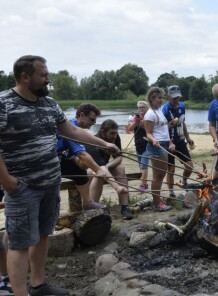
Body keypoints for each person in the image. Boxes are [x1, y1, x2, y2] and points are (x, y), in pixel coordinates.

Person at [0, 55, 119, 296]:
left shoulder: (49, 104)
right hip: (22, 187)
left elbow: (72, 130)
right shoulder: (4, 103)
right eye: (43, 75)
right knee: (19, 243)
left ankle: (39, 285)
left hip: (50, 182)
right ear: (25, 76)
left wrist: (104, 144)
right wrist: (7, 182)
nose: (48, 79)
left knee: (43, 235)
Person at [86, 119, 134, 220]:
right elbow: (99, 168)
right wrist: (116, 187)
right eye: (112, 133)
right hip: (90, 169)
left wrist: (108, 166)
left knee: (120, 168)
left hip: (104, 166)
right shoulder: (93, 143)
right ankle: (93, 210)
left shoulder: (115, 138)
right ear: (103, 132)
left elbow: (119, 157)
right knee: (98, 174)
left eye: (116, 133)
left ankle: (125, 207)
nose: (114, 136)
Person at [144, 87, 174, 212]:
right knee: (158, 176)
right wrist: (154, 140)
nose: (162, 100)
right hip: (156, 146)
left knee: (161, 175)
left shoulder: (159, 110)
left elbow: (161, 128)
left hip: (164, 144)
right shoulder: (149, 114)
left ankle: (158, 200)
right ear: (152, 98)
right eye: (159, 98)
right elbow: (148, 133)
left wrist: (170, 125)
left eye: (162, 98)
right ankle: (157, 204)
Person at [163, 85, 194, 197]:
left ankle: (184, 181)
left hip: (180, 140)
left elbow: (182, 122)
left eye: (178, 97)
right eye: (174, 97)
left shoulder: (182, 106)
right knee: (171, 169)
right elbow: (161, 129)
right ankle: (171, 192)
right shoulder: (164, 110)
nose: (176, 100)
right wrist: (169, 126)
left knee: (189, 166)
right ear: (169, 96)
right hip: (168, 142)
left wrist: (188, 137)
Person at [126, 101, 150, 192]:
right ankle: (145, 184)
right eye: (139, 107)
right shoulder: (135, 118)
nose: (140, 109)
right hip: (138, 144)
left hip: (147, 144)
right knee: (141, 166)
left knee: (144, 166)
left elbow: (151, 130)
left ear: (147, 108)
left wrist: (142, 123)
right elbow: (129, 129)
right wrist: (136, 122)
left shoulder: (149, 117)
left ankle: (142, 185)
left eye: (142, 107)